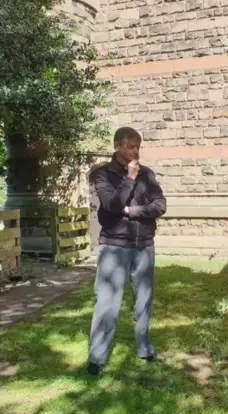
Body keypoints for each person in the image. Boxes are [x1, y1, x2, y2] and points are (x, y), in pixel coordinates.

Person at [87, 126, 167, 376]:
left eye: (138, 147)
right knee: (107, 303)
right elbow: (112, 205)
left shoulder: (148, 174)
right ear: (117, 146)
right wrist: (129, 179)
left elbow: (160, 205)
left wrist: (133, 212)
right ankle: (97, 359)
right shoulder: (102, 174)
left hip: (144, 244)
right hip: (114, 246)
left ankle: (144, 349)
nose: (136, 152)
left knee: (143, 301)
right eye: (131, 146)